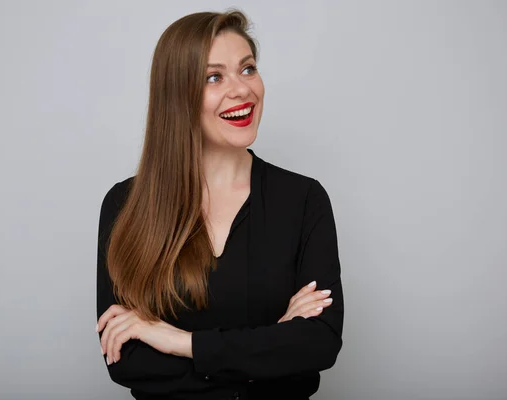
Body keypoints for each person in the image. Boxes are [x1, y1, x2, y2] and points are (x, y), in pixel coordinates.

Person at [96, 9, 344, 400]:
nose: (242, 90)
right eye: (214, 77)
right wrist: (272, 345)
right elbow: (128, 361)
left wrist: (179, 341)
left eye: (248, 69)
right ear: (178, 96)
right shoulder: (125, 205)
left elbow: (318, 344)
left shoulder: (303, 200)